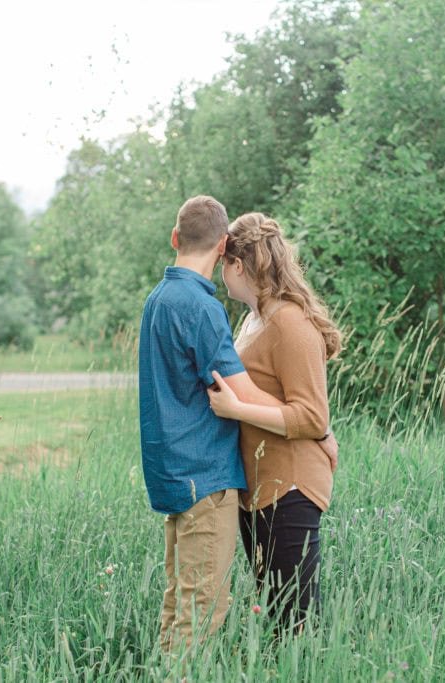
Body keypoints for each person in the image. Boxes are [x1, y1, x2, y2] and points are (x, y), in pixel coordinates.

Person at [138, 195, 287, 653]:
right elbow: (239, 391)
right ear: (224, 247)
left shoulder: (158, 299)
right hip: (205, 480)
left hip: (172, 476)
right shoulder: (200, 308)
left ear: (174, 238)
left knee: (179, 605)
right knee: (203, 611)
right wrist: (306, 420)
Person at [206, 211, 342, 633]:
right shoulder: (254, 318)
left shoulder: (289, 322)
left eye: (222, 263)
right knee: (275, 611)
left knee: (296, 623)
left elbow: (312, 414)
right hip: (261, 486)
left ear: (238, 265)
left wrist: (237, 411)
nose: (219, 273)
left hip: (292, 486)